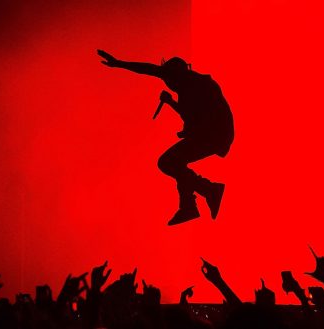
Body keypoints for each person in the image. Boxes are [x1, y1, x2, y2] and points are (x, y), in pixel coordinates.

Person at [97, 50, 234, 225]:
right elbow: (152, 71)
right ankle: (192, 203)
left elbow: (197, 116)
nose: (167, 83)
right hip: (215, 134)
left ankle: (207, 191)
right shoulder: (190, 85)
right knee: (175, 162)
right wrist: (120, 64)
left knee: (168, 162)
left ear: (176, 75)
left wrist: (119, 64)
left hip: (215, 134)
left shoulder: (196, 86)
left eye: (168, 79)